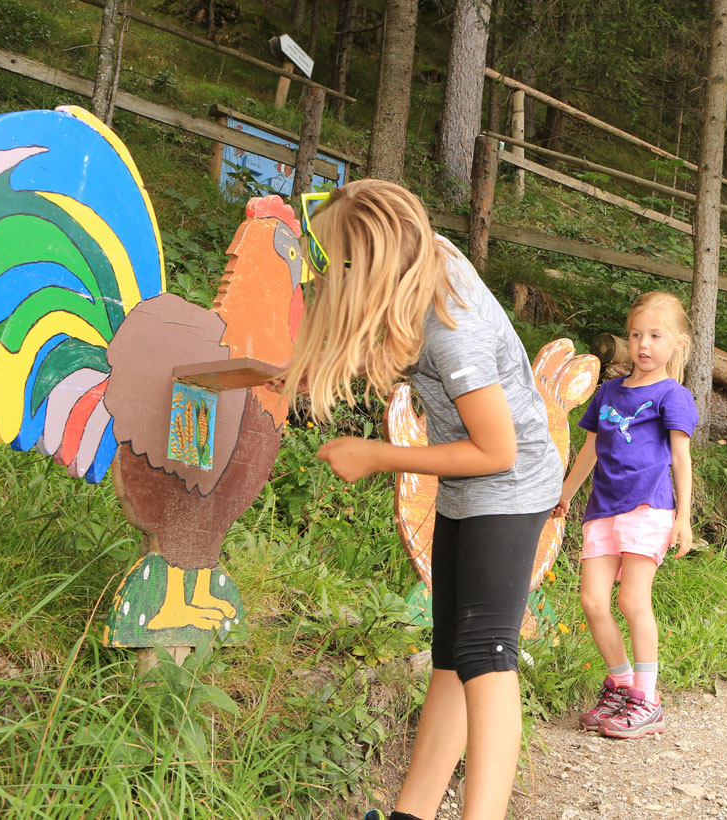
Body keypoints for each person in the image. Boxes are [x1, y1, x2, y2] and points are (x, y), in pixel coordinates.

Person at [281, 180, 561, 820]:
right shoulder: (418, 257)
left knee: (488, 656)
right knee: (451, 656)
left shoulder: (450, 329)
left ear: (366, 267)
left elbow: (496, 452)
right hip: (467, 488)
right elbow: (369, 322)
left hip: (510, 486)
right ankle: (412, 813)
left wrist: (377, 454)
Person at [555, 291, 698, 740]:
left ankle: (647, 700)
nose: (644, 345)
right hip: (602, 508)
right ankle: (621, 683)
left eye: (656, 335)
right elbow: (592, 449)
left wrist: (684, 517)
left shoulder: (673, 395)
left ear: (677, 343)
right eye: (636, 334)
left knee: (632, 601)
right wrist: (564, 494)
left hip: (649, 506)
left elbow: (681, 459)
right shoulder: (609, 393)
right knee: (593, 601)